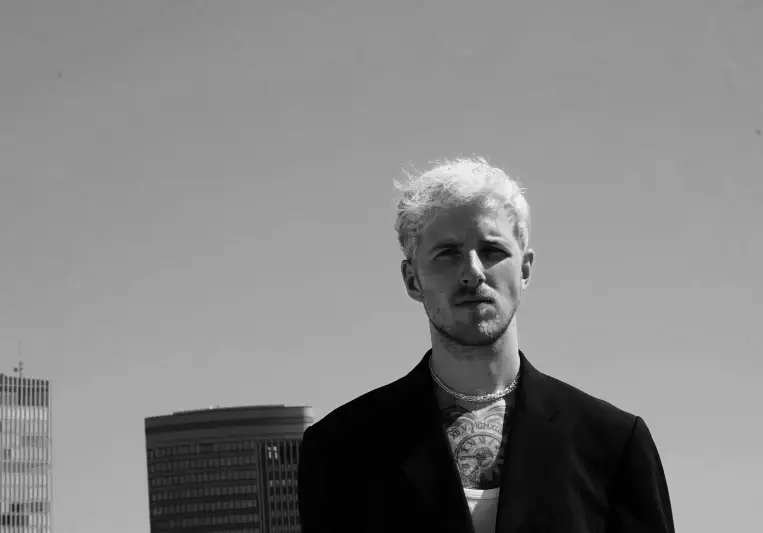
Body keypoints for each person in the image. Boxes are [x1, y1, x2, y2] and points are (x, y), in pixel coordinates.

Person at [297, 158, 674, 533]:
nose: (473, 271)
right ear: (412, 279)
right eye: (448, 254)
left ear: (525, 269)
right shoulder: (340, 448)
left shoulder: (613, 443)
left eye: (493, 250)